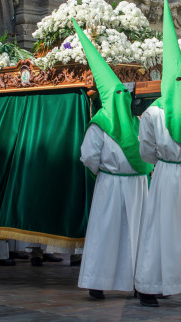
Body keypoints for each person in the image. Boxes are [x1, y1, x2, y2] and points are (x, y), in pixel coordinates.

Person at [133, 0, 181, 307]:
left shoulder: (153, 113)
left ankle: (157, 287)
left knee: (169, 230)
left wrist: (165, 161)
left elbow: (146, 152)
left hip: (168, 174)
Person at [73, 20, 152, 299]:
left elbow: (88, 157)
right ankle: (113, 282)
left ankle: (114, 282)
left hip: (115, 183)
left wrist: (104, 172)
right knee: (125, 234)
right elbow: (89, 155)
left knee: (115, 234)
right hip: (128, 184)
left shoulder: (108, 122)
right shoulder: (128, 121)